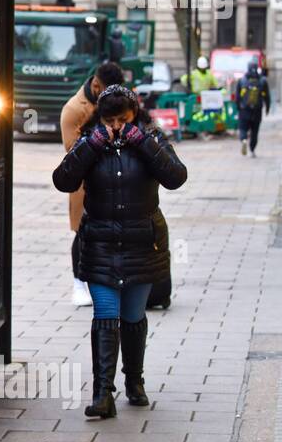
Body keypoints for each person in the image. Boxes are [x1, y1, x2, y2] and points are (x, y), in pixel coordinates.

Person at [53, 84, 188, 418]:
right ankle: (102, 393)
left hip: (142, 243)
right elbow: (63, 180)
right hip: (100, 243)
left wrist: (142, 143)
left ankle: (134, 381)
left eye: (122, 119)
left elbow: (176, 177)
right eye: (109, 120)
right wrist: (91, 147)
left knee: (132, 317)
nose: (115, 127)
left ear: (135, 115)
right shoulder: (90, 140)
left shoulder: (151, 138)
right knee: (105, 315)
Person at [60, 60, 124, 307]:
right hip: (86, 183)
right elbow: (72, 151)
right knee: (83, 232)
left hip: (114, 180)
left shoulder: (117, 101)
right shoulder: (75, 110)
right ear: (97, 85)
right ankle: (78, 283)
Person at [234, 60, 271, 157]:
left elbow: (237, 97)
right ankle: (252, 150)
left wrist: (238, 107)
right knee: (255, 131)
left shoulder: (242, 80)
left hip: (244, 110)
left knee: (242, 128)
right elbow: (267, 97)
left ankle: (244, 139)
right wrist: (267, 108)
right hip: (257, 110)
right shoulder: (262, 80)